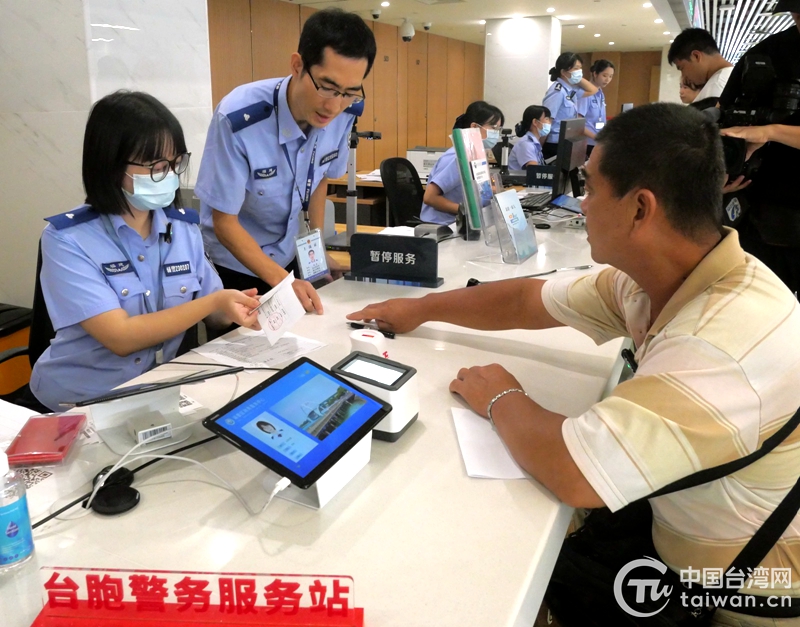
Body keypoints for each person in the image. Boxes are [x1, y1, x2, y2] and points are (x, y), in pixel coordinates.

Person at [348, 103, 800, 624]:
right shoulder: (667, 276)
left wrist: (501, 397)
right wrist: (421, 309)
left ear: (640, 209)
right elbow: (526, 301)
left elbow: (575, 472)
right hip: (684, 532)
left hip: (746, 593)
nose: (581, 204)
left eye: (590, 187)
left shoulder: (719, 345)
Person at [29, 91, 261, 411]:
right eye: (156, 166)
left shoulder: (182, 228)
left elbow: (214, 313)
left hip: (159, 394)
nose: (170, 176)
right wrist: (214, 301)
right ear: (111, 166)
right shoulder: (67, 239)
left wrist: (238, 306)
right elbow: (121, 337)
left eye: (176, 163)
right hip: (78, 403)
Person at [195, 8, 377, 315]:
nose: (334, 106)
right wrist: (282, 282)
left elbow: (319, 180)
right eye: (327, 87)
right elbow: (224, 223)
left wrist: (317, 253)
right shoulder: (239, 118)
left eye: (348, 92)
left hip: (288, 259)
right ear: (297, 65)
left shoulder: (346, 112)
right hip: (236, 267)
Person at [718, 2, 800, 296]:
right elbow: (725, 115)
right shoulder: (766, 53)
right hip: (762, 217)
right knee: (757, 306)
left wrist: (771, 132)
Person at [419, 101, 505, 225]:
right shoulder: (456, 157)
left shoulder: (476, 154)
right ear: (474, 127)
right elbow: (430, 197)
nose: (496, 134)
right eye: (494, 128)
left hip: (466, 223)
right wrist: (467, 212)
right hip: (444, 226)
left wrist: (497, 191)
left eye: (499, 129)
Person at [541, 52, 599, 160]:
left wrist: (578, 78)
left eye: (580, 68)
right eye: (576, 68)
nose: (579, 71)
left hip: (566, 142)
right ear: (564, 72)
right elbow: (546, 121)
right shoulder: (557, 91)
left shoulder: (570, 90)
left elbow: (593, 90)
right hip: (554, 144)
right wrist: (539, 148)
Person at [668, 28, 733, 102]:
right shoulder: (732, 77)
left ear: (696, 56)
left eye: (682, 68)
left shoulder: (716, 86)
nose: (684, 76)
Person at [577, 59, 615, 157]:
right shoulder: (586, 94)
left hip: (597, 141)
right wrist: (597, 138)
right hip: (587, 143)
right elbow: (578, 123)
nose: (607, 80)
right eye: (604, 75)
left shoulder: (600, 93)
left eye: (610, 76)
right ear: (595, 74)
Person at [508, 105, 551, 170]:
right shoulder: (526, 144)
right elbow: (534, 171)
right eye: (547, 119)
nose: (549, 122)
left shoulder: (533, 142)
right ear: (535, 122)